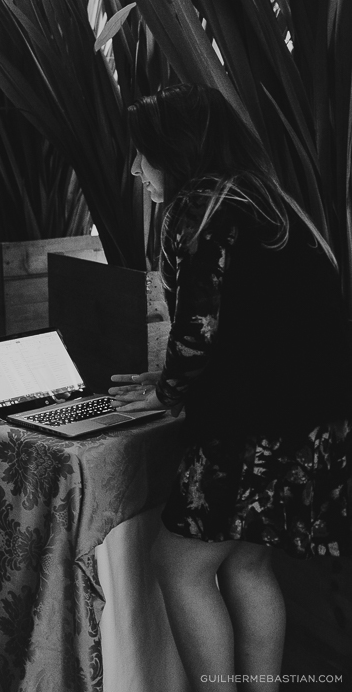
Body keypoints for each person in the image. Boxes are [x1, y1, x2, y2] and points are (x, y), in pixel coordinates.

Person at [111, 84, 351, 692]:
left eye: (144, 152)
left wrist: (168, 391)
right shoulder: (266, 199)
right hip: (316, 423)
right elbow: (257, 327)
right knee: (247, 563)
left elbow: (198, 327)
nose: (135, 168)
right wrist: (174, 380)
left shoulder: (198, 205)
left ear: (176, 150)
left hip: (251, 427)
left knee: (179, 565)